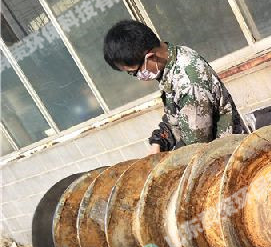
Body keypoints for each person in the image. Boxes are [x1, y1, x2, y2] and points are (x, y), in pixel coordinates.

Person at [103, 20, 253, 154]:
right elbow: (174, 115)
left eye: (134, 72)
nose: (137, 77)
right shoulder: (170, 59)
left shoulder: (189, 83)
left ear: (150, 57)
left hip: (226, 155)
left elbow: (195, 146)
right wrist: (158, 142)